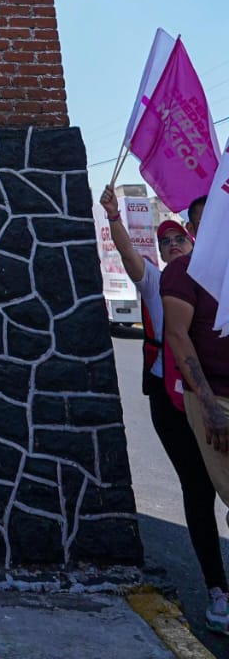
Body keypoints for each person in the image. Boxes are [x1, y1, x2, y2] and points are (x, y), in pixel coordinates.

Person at [100, 187, 228, 633]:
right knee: (197, 489)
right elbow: (131, 259)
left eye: (181, 241)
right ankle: (217, 589)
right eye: (166, 242)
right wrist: (115, 219)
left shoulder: (216, 281)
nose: (173, 246)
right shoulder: (157, 280)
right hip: (170, 401)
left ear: (196, 241)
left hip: (212, 395)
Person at [162, 195, 229, 514]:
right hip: (217, 398)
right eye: (210, 220)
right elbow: (177, 334)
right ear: (193, 229)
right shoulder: (183, 272)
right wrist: (208, 405)